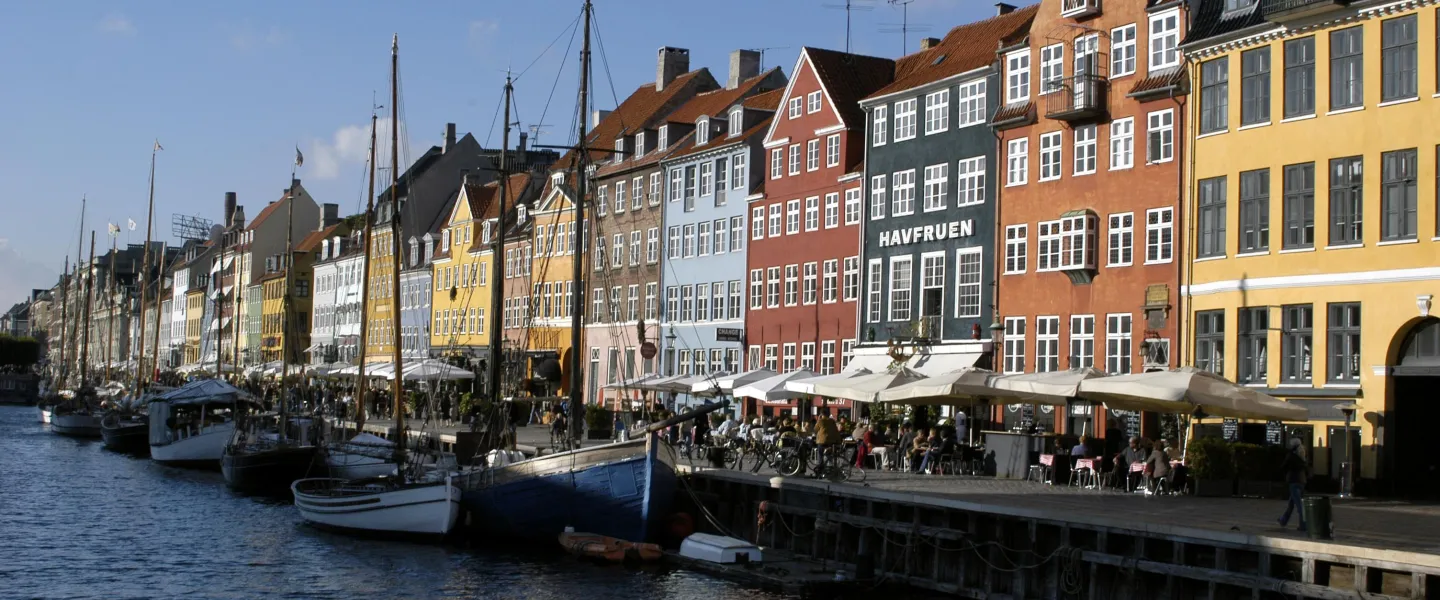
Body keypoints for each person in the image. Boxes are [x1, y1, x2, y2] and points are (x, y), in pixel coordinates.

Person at [1277, 438, 1309, 531]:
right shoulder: (1303, 454)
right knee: (1292, 503)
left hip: (1293, 481)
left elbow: (1283, 466)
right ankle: (1283, 520)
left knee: (1299, 505)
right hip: (1302, 481)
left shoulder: (1291, 455)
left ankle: (1303, 525)